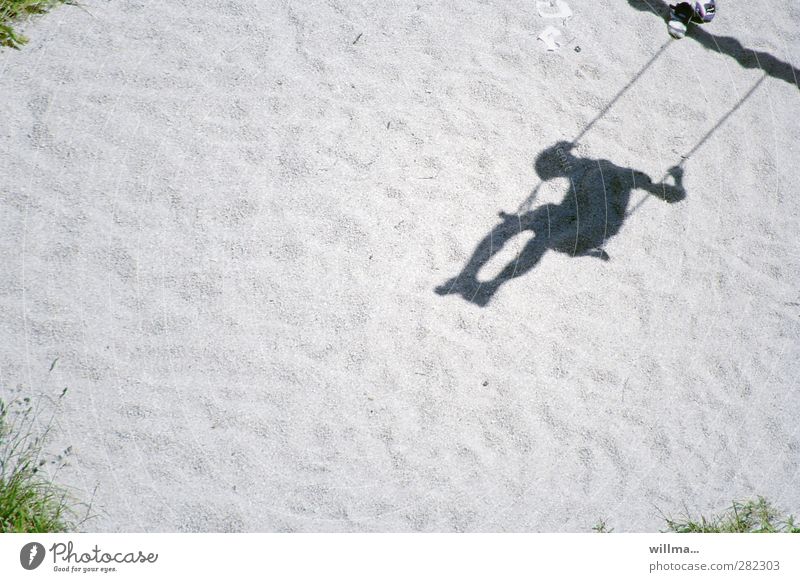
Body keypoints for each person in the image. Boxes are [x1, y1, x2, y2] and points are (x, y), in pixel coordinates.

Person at [435, 142, 687, 306]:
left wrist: (678, 179)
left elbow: (671, 196)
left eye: (555, 172)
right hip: (568, 214)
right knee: (518, 224)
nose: (559, 175)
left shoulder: (619, 175)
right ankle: (467, 275)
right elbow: (558, 155)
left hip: (593, 227)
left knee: (542, 239)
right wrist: (561, 148)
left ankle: (491, 286)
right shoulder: (577, 166)